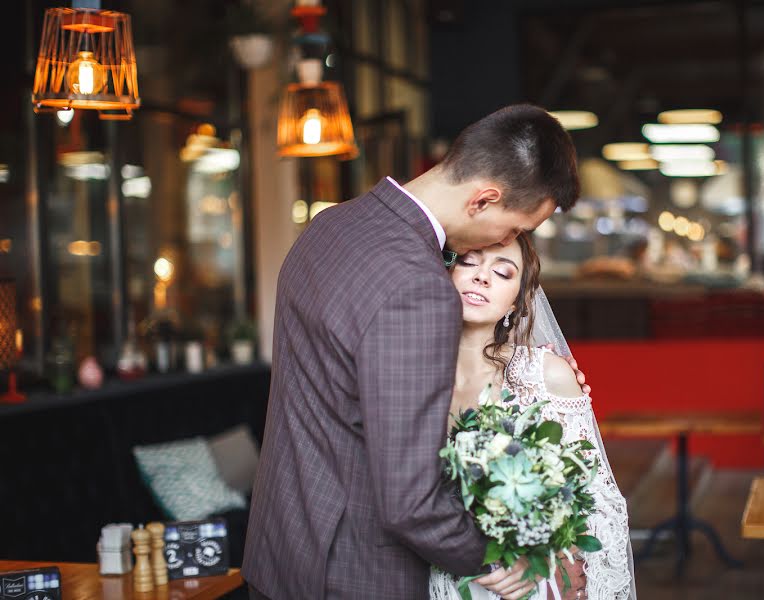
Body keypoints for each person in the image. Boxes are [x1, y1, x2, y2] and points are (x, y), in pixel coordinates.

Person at [243, 104, 581, 599]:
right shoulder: (419, 289)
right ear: (484, 199)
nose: (508, 242)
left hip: (279, 552)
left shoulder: (329, 225)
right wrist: (502, 561)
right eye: (513, 229)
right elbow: (410, 502)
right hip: (351, 573)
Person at [429, 236, 635, 600]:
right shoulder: (407, 378)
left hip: (526, 584)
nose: (482, 278)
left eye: (503, 272)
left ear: (517, 300)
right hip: (434, 580)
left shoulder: (544, 374)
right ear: (445, 270)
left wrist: (545, 559)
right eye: (469, 262)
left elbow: (595, 502)